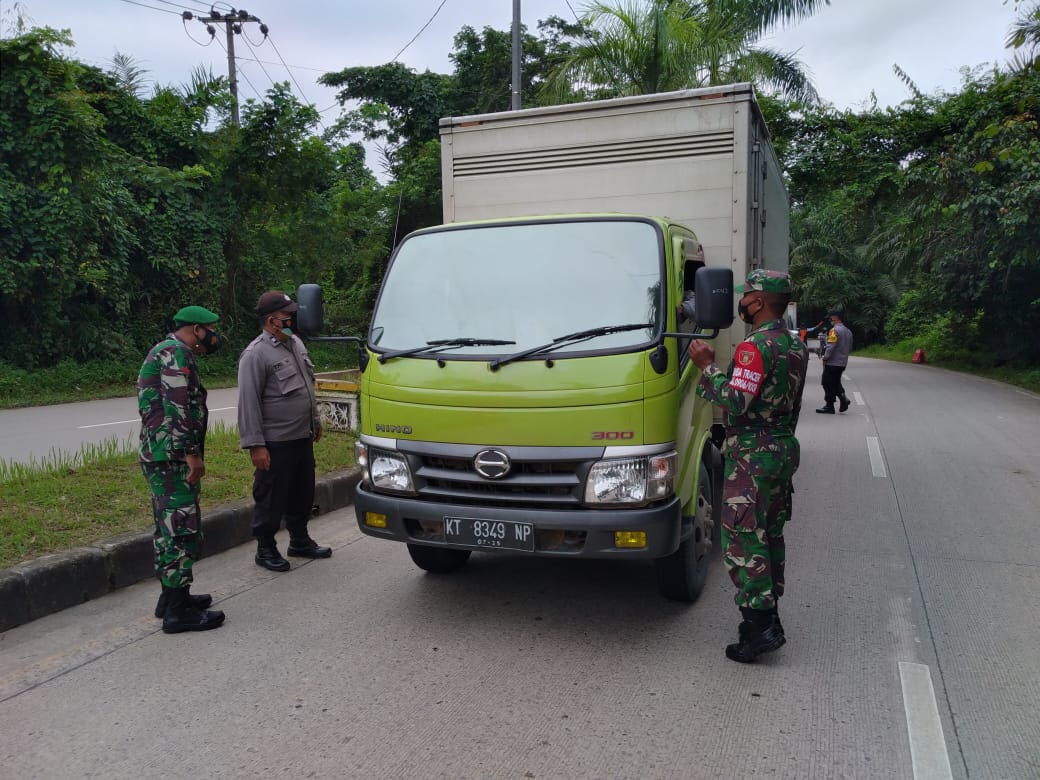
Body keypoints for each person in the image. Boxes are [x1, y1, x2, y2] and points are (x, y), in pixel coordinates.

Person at [686, 269, 808, 663]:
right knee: (769, 533)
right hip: (782, 448)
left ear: (756, 302)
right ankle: (766, 616)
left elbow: (737, 402)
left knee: (742, 538)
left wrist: (707, 366)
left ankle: (760, 629)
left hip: (754, 453)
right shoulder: (794, 344)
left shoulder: (754, 348)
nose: (741, 302)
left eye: (745, 296)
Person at [138, 305, 227, 634]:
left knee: (167, 528)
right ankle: (178, 612)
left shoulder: (167, 350)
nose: (215, 335)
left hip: (160, 455)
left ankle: (172, 597)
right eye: (212, 328)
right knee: (180, 528)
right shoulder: (176, 353)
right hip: (172, 457)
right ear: (196, 329)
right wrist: (191, 453)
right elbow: (177, 406)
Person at [238, 290, 331, 572]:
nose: (293, 319)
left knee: (302, 492)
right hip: (275, 441)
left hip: (301, 436)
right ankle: (265, 548)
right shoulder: (255, 355)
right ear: (271, 320)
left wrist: (314, 420)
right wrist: (256, 445)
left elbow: (307, 385)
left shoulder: (296, 344)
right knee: (271, 497)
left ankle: (299, 540)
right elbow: (248, 403)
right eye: (288, 315)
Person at [817, 308, 853, 414]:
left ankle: (829, 405)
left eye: (831, 317)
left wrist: (825, 358)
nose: (830, 319)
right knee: (835, 382)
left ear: (835, 317)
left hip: (833, 362)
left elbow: (831, 346)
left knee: (826, 383)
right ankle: (843, 399)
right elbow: (850, 347)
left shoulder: (834, 330)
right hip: (842, 362)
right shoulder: (848, 331)